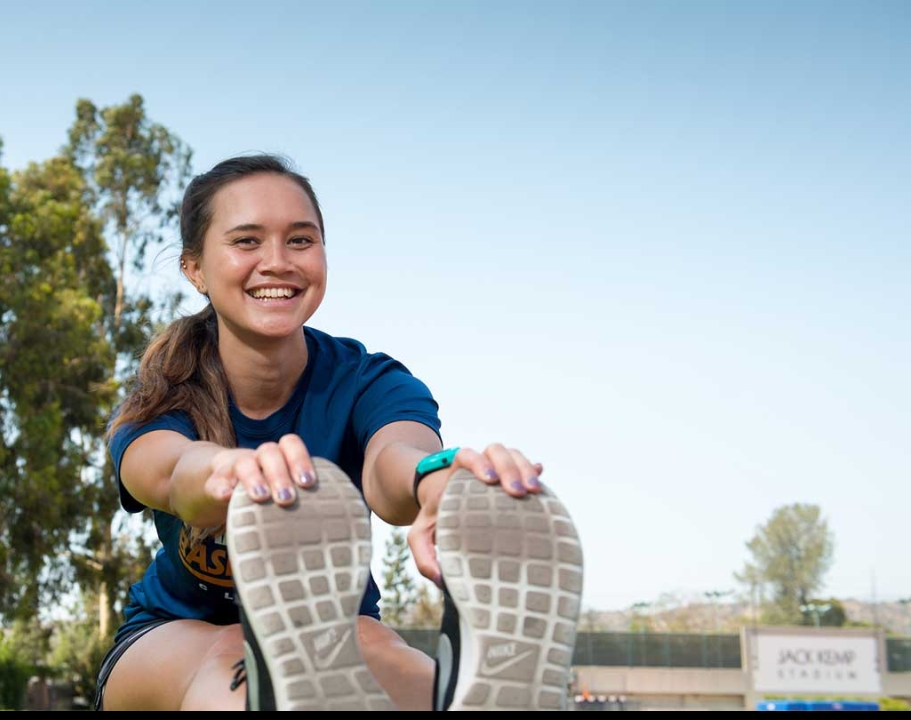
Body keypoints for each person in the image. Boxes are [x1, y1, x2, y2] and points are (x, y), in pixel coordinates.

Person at [94, 154, 583, 711]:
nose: (277, 262)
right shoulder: (162, 393)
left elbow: (392, 462)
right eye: (247, 241)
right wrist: (224, 471)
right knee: (234, 659)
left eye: (301, 240)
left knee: (382, 651)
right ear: (195, 268)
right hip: (170, 633)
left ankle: (463, 694)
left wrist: (439, 482)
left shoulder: (367, 379)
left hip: (335, 626)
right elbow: (169, 471)